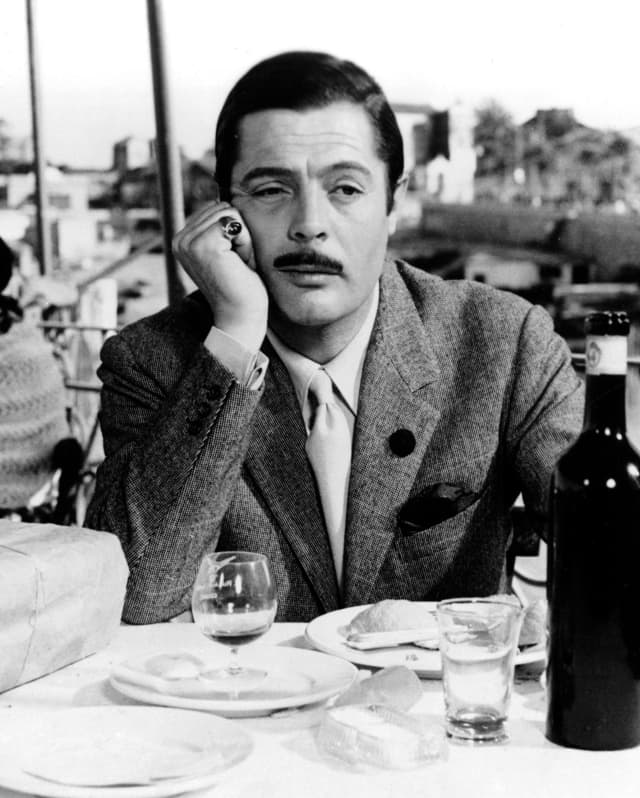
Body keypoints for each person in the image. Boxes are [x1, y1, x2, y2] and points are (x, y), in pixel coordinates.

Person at [86, 51, 583, 624]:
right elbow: (136, 594)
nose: (309, 223)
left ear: (394, 206)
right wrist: (236, 335)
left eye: (345, 189)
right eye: (272, 190)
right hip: (242, 709)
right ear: (225, 213)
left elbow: (614, 542)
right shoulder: (152, 362)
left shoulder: (504, 343)